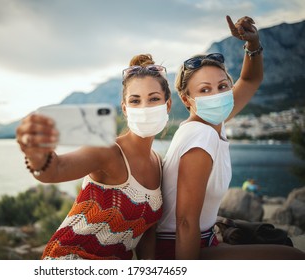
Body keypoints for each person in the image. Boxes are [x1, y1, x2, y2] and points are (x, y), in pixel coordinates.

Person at [155, 15, 305, 259]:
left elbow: (250, 79)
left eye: (223, 86)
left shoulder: (214, 121)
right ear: (186, 100)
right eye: (205, 90)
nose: (217, 95)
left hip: (205, 237)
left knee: (281, 245)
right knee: (296, 259)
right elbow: (184, 222)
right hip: (179, 248)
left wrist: (253, 43)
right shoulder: (201, 136)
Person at [16, 54, 172, 259]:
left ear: (167, 105)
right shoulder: (106, 150)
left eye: (154, 99)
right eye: (135, 101)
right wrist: (36, 154)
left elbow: (146, 233)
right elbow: (55, 170)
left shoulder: (159, 164)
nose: (144, 108)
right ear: (125, 109)